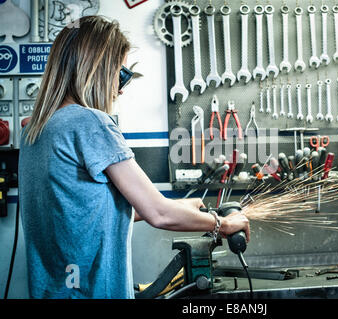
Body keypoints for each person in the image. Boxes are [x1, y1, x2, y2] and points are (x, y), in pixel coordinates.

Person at [18, 16, 250, 299]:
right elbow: (159, 214)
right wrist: (222, 224)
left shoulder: (35, 130)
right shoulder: (91, 123)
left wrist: (182, 206)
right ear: (99, 68)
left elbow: (84, 215)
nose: (122, 87)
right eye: (122, 73)